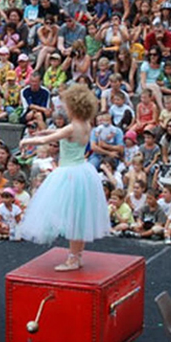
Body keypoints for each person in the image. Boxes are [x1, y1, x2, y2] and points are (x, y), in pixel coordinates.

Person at [19, 84, 110, 271]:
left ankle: (73, 258)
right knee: (80, 215)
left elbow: (48, 140)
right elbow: (61, 135)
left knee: (74, 216)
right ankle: (77, 255)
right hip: (82, 171)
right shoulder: (86, 124)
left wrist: (27, 140)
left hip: (70, 173)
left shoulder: (71, 127)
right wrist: (47, 131)